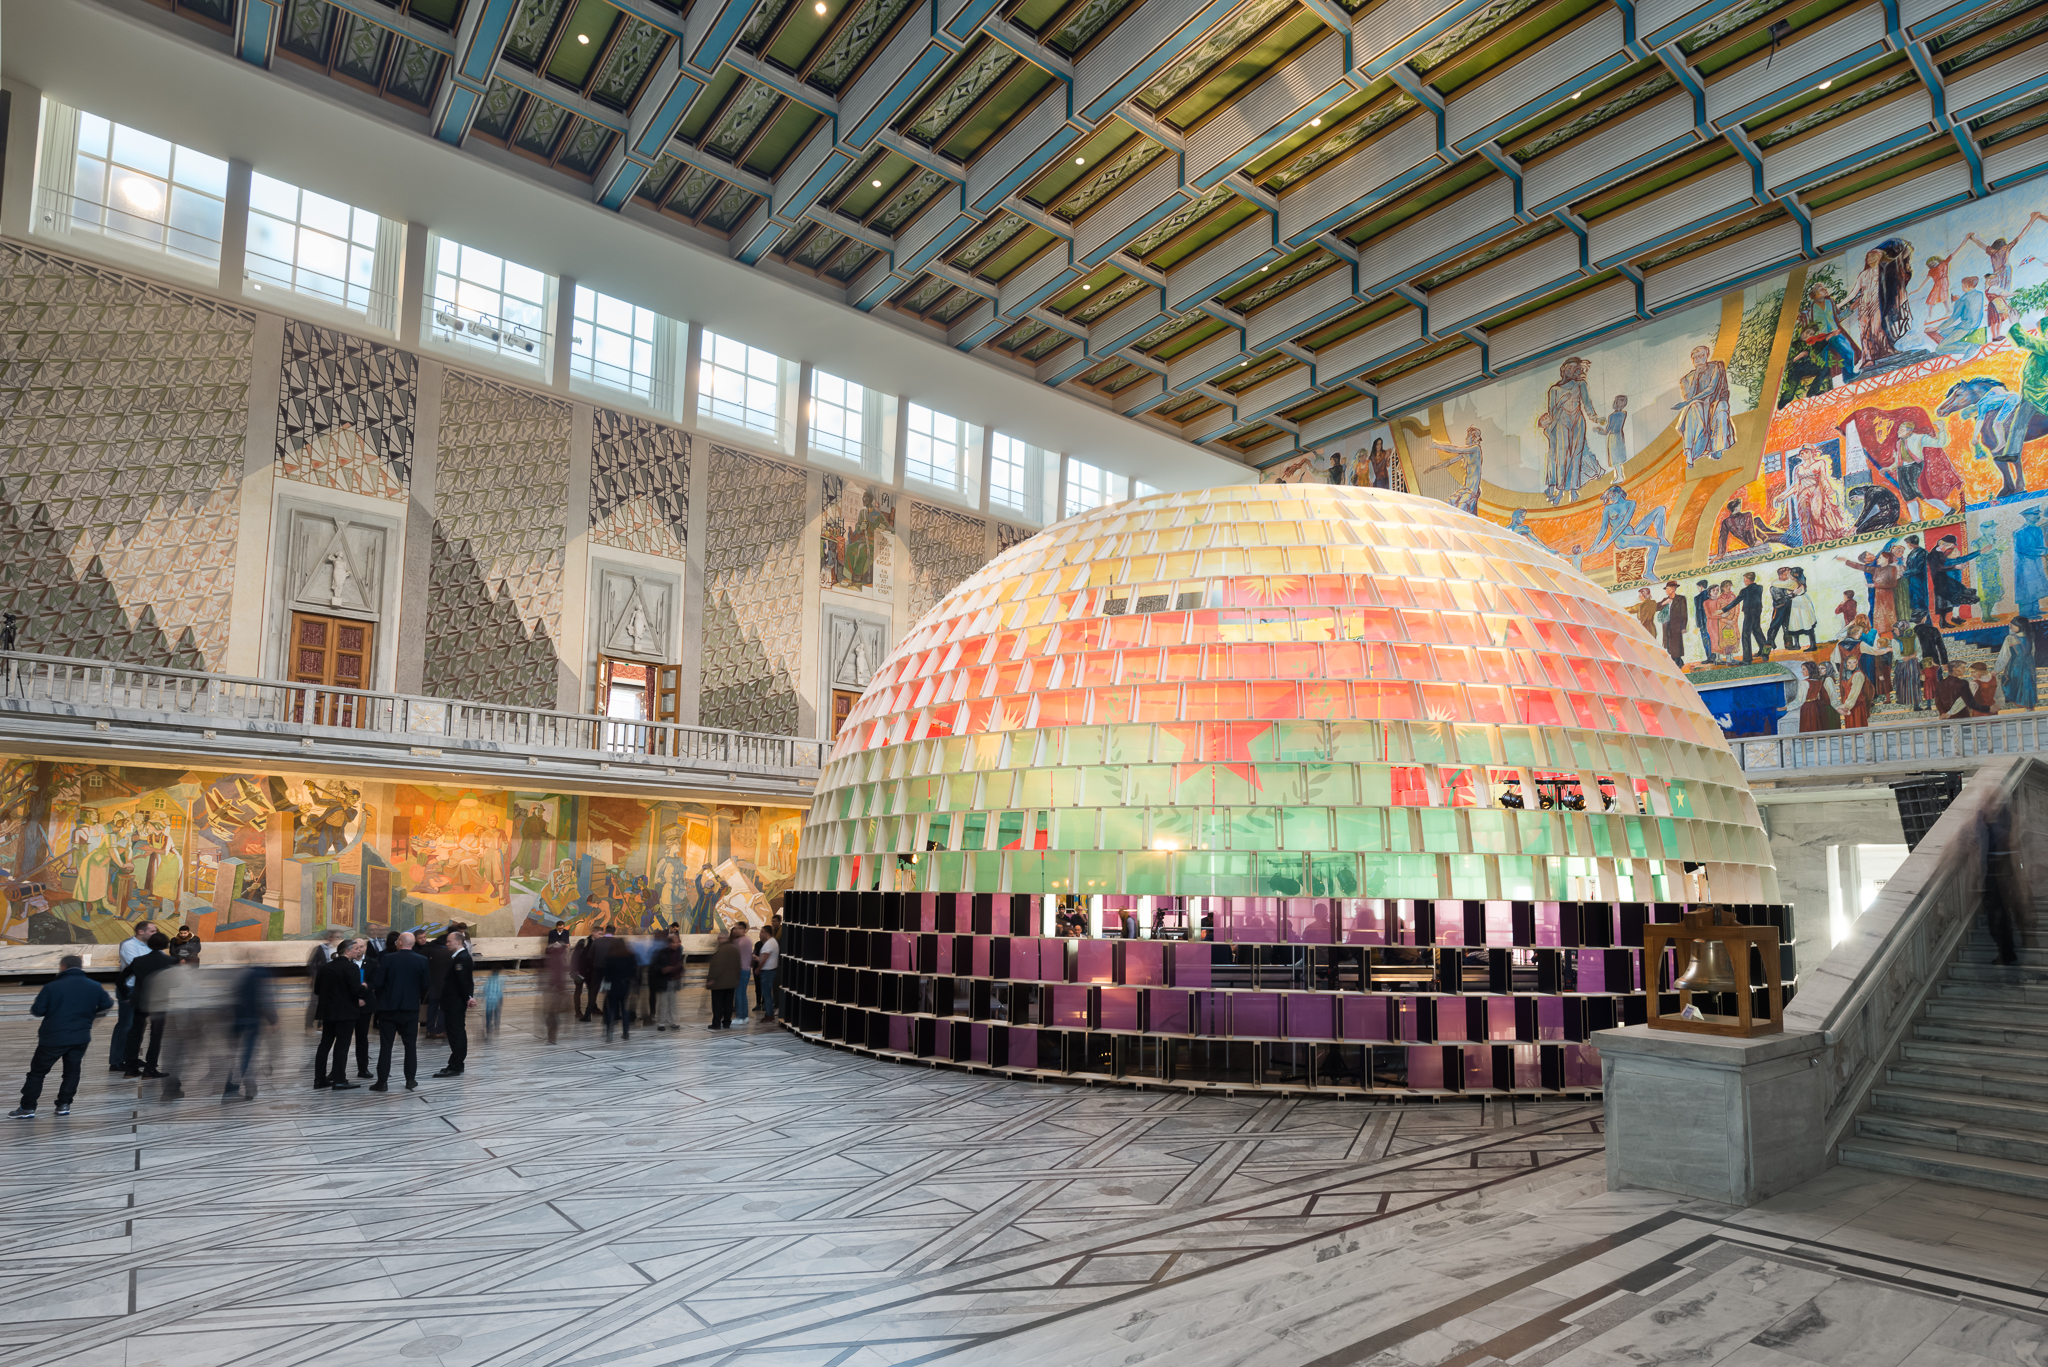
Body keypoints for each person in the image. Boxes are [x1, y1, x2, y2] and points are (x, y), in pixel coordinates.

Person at [10, 955, 113, 1118]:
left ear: (63, 967)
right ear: (80, 967)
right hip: (80, 1036)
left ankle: (27, 1107)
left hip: (53, 1037)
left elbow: (37, 1010)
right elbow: (107, 1003)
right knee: (72, 1072)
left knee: (37, 1073)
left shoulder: (51, 987)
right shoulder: (94, 985)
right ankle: (64, 1105)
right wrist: (90, 1015)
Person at [367, 930, 430, 1092]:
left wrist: (383, 999)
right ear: (413, 944)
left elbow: (379, 983)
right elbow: (425, 985)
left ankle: (382, 1082)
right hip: (410, 1009)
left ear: (400, 943)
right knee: (410, 1046)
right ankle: (410, 1080)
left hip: (388, 1008)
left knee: (386, 1046)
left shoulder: (388, 958)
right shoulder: (422, 960)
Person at [313, 938, 368, 1090]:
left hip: (328, 1012)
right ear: (347, 951)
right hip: (346, 1012)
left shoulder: (326, 967)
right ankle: (339, 1079)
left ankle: (319, 1079)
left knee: (325, 1044)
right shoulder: (351, 967)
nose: (359, 951)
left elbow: (317, 990)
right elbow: (355, 990)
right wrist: (364, 987)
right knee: (342, 1046)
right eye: (356, 949)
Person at [123, 932, 176, 1079]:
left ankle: (131, 1068)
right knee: (155, 1035)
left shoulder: (139, 960)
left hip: (140, 1001)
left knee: (135, 1034)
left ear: (149, 944)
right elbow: (176, 982)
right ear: (166, 944)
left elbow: (121, 978)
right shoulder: (170, 961)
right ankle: (150, 1068)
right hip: (159, 1002)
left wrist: (127, 995)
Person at [222, 964, 276, 1102]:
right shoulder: (261, 974)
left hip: (237, 1020)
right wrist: (273, 1020)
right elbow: (266, 999)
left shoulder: (241, 974)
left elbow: (231, 997)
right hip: (252, 1021)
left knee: (240, 1056)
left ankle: (239, 1088)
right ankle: (241, 1089)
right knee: (247, 1057)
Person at [110, 918, 156, 1074]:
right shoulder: (128, 945)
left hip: (145, 989)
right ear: (141, 931)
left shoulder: (151, 945)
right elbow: (137, 966)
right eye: (152, 931)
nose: (155, 933)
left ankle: (131, 1057)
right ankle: (116, 1061)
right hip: (129, 989)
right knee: (126, 1025)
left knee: (139, 1026)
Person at [434, 930, 476, 1077]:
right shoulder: (460, 957)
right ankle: (456, 1063)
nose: (447, 944)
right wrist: (468, 996)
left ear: (458, 941)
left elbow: (463, 981)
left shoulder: (461, 958)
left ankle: (455, 1065)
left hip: (455, 1002)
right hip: (454, 1001)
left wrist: (468, 998)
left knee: (456, 1033)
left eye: (449, 941)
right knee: (455, 1032)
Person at [304, 929, 343, 1030]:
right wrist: (313, 976)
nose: (337, 939)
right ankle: (309, 1024)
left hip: (335, 980)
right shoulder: (320, 948)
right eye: (336, 937)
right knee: (315, 1002)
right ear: (330, 938)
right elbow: (311, 964)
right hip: (321, 979)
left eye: (339, 937)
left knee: (330, 1002)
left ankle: (322, 1023)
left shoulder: (342, 950)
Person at [602, 935, 638, 1042]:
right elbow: (633, 972)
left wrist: (605, 988)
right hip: (624, 985)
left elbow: (607, 975)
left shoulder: (609, 958)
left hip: (613, 986)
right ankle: (626, 1032)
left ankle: (609, 1033)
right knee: (624, 1009)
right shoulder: (630, 957)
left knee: (611, 1010)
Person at [2001, 616, 2040, 710]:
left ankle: (2019, 702)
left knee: (2015, 682)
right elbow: (2032, 651)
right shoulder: (2030, 636)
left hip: (2016, 663)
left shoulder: (2010, 638)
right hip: (2029, 662)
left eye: (2012, 625)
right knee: (2028, 682)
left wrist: (1997, 669)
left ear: (2020, 626)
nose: (2010, 627)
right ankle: (2028, 704)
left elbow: (2004, 655)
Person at [706, 932, 740, 1031]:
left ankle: (716, 1023)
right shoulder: (735, 949)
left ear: (723, 939)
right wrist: (736, 979)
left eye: (719, 938)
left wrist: (711, 979)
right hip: (731, 983)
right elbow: (738, 966)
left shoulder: (721, 950)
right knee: (728, 1004)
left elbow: (717, 967)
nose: (718, 940)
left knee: (717, 1004)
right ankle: (727, 1022)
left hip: (719, 983)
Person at [652, 930, 685, 1031]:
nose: (676, 944)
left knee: (672, 1002)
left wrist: (681, 971)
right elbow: (655, 966)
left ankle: (673, 1021)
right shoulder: (662, 952)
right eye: (673, 942)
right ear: (669, 943)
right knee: (663, 1003)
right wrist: (662, 969)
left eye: (677, 942)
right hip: (665, 980)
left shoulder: (678, 952)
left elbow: (680, 964)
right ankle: (661, 1022)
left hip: (674, 980)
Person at [542, 941, 572, 1044]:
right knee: (554, 1013)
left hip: (550, 989)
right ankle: (552, 1036)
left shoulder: (549, 957)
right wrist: (562, 988)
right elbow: (558, 974)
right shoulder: (558, 958)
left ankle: (551, 1035)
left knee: (551, 1013)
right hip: (557, 989)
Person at [1736, 572, 1769, 663]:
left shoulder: (1744, 590)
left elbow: (1736, 601)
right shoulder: (1759, 587)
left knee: (1746, 635)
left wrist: (1724, 610)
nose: (1744, 581)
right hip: (1757, 612)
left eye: (1744, 579)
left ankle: (1747, 659)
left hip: (1749, 613)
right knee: (1758, 632)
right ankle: (1765, 654)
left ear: (1748, 580)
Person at [754, 924, 780, 1022]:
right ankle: (769, 1013)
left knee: (766, 994)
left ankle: (769, 1015)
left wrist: (759, 968)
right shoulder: (773, 942)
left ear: (767, 933)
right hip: (770, 970)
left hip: (767, 971)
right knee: (767, 993)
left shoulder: (769, 944)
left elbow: (764, 959)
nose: (760, 934)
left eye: (762, 932)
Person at [572, 935, 601, 1021]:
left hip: (587, 973)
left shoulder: (592, 945)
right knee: (579, 990)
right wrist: (575, 970)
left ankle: (593, 1008)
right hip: (580, 973)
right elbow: (575, 958)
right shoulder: (583, 944)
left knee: (590, 990)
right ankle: (578, 1011)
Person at [730, 925, 753, 1025]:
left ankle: (739, 1016)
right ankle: (745, 1016)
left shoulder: (740, 941)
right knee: (743, 993)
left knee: (739, 994)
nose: (736, 930)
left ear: (744, 930)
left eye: (738, 928)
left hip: (740, 969)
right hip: (747, 969)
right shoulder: (748, 940)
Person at [482, 966, 504, 1039]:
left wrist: (483, 998)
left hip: (489, 1001)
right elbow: (500, 990)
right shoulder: (501, 978)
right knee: (496, 1014)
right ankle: (496, 1027)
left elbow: (484, 989)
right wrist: (501, 1000)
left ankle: (489, 1029)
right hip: (496, 1000)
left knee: (489, 1015)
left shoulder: (489, 979)